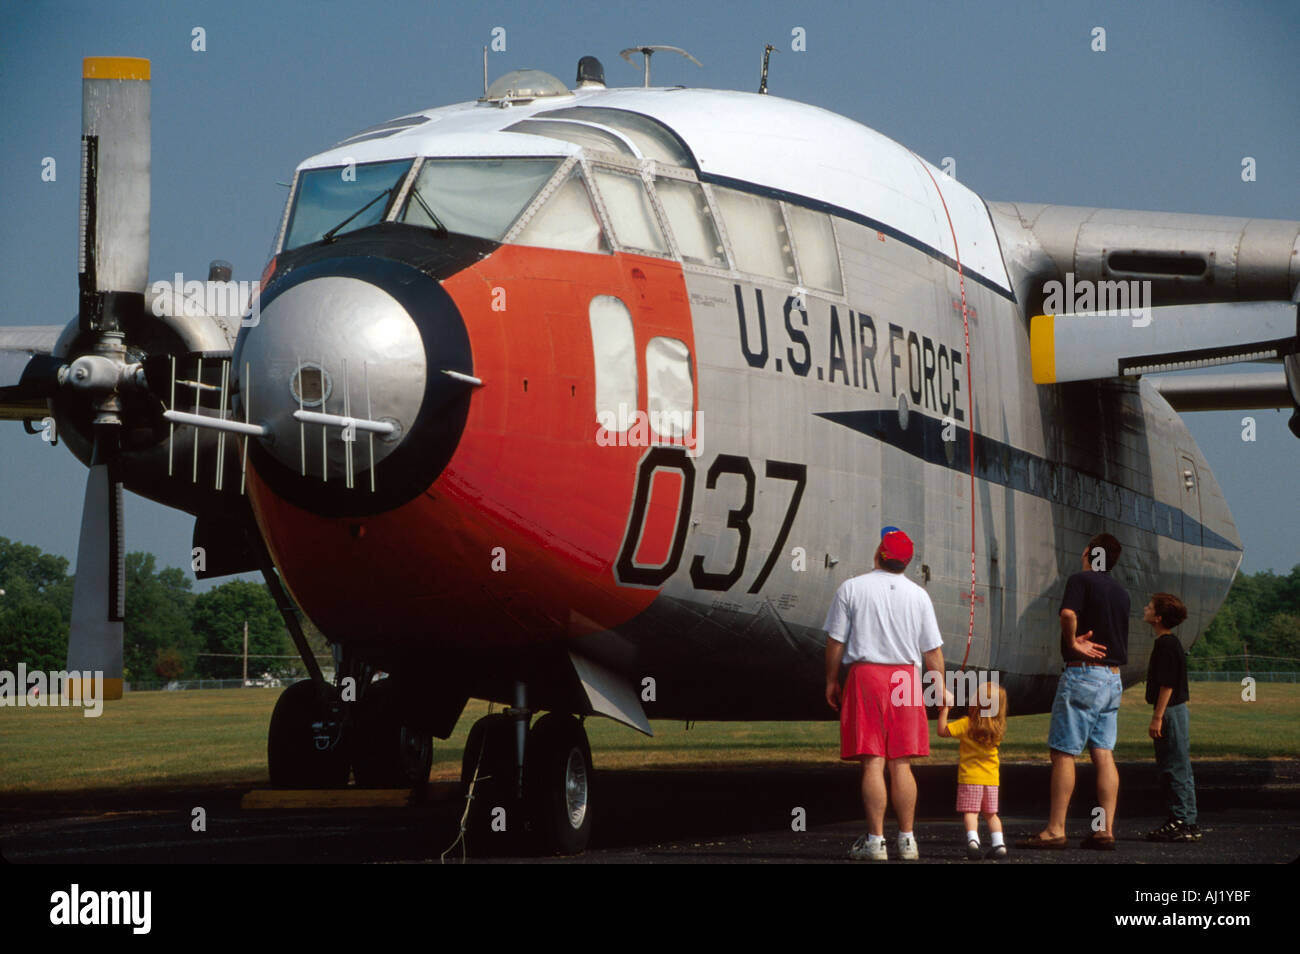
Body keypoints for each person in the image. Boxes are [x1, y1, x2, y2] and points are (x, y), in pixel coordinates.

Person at [824, 526, 947, 861]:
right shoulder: (919, 595)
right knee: (902, 763)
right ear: (906, 563)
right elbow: (932, 651)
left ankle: (876, 842)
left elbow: (836, 642)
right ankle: (908, 840)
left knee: (872, 762)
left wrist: (831, 680)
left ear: (879, 552)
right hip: (905, 677)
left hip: (867, 676)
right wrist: (941, 686)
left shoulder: (851, 588)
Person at [1017, 531, 1129, 851]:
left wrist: (1072, 642)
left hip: (1083, 676)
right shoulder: (1121, 593)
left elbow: (1068, 614)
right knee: (1103, 754)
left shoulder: (1081, 580)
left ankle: (1055, 829)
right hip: (1112, 679)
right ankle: (1104, 829)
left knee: (1064, 753)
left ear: (1090, 554)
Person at [1142, 592, 1201, 842]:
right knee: (1175, 767)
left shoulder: (1166, 644)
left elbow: (1167, 685)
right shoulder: (1171, 643)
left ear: (1158, 617)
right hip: (1174, 711)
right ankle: (1183, 820)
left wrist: (1157, 717)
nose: (1145, 608)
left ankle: (1182, 821)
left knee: (1174, 767)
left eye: (1149, 607)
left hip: (1170, 711)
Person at [938, 684, 1009, 859]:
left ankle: (973, 841)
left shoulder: (966, 724)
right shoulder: (998, 728)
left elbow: (942, 731)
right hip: (991, 779)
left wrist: (945, 709)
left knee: (971, 813)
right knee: (991, 814)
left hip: (970, 778)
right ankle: (999, 844)